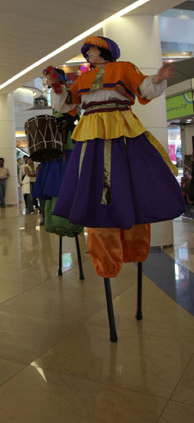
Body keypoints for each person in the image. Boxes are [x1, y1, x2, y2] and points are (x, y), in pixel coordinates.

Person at [49, 36, 185, 278]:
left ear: (103, 50)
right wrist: (56, 87)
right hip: (91, 130)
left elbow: (144, 88)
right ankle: (105, 255)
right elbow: (66, 105)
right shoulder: (83, 78)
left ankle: (134, 246)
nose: (87, 54)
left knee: (131, 181)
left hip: (120, 125)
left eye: (90, 49)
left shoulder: (124, 68)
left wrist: (158, 78)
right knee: (93, 187)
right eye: (87, 50)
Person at [32, 67, 83, 237]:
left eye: (49, 79)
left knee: (62, 180)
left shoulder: (62, 91)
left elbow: (60, 94)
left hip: (66, 144)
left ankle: (64, 222)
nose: (47, 82)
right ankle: (56, 220)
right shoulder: (59, 93)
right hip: (59, 145)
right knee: (58, 180)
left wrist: (56, 85)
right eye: (47, 79)